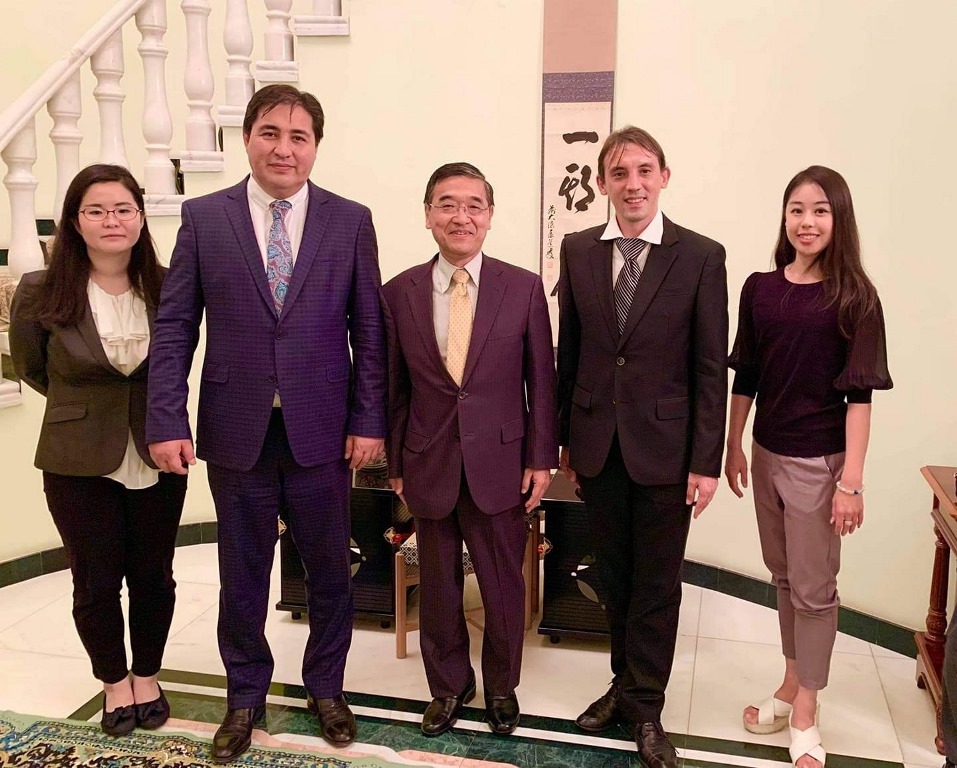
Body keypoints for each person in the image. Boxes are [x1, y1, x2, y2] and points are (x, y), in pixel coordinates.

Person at [146, 84, 386, 762]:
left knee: (331, 570)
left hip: (323, 428)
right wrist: (165, 416)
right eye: (270, 133)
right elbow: (175, 326)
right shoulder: (204, 217)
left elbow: (369, 331)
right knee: (242, 572)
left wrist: (369, 418)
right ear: (247, 138)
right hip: (236, 427)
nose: (284, 148)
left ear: (315, 147)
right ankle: (245, 696)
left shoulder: (350, 221)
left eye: (298, 136)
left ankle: (326, 688)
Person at [557, 126, 728, 768]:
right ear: (603, 182)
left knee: (656, 584)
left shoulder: (701, 256)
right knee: (613, 576)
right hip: (598, 446)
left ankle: (647, 707)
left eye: (644, 171)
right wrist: (566, 440)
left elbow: (710, 367)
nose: (633, 184)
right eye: (620, 173)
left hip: (668, 451)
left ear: (664, 177)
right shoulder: (578, 250)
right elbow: (571, 351)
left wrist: (705, 461)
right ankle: (623, 685)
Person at [9, 164, 188, 737]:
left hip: (159, 449)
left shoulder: (168, 284)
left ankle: (148, 675)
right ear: (74, 221)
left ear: (141, 217)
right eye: (96, 210)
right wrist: (86, 410)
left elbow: (176, 362)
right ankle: (114, 682)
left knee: (155, 576)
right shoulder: (40, 289)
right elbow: (32, 367)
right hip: (77, 457)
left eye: (123, 209)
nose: (112, 220)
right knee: (95, 580)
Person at [380, 162, 558, 737]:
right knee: (437, 586)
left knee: (504, 584)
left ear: (489, 216)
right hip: (427, 462)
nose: (461, 216)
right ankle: (449, 686)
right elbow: (394, 388)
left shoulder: (522, 287)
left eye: (474, 205)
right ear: (428, 214)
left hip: (501, 464)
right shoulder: (399, 292)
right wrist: (396, 464)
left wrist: (541, 458)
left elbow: (542, 381)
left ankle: (501, 687)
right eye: (448, 204)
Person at [726, 166, 892, 768]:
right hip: (766, 454)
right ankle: (791, 681)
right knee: (784, 579)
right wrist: (733, 443)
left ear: (838, 218)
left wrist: (852, 483)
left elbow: (860, 397)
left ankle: (806, 712)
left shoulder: (855, 298)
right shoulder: (760, 289)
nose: (807, 221)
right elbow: (747, 373)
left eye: (820, 210)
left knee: (815, 591)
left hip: (820, 464)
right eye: (796, 209)